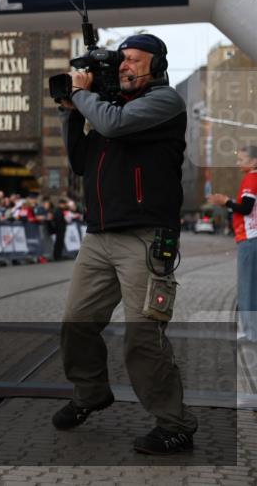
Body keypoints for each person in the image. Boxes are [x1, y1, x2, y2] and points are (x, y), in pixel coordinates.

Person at [55, 33, 196, 454]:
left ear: (157, 65)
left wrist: (83, 97)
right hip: (99, 236)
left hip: (145, 237)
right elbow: (80, 162)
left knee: (143, 337)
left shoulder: (165, 102)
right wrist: (69, 112)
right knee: (75, 324)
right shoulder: (106, 109)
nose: (125, 66)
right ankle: (90, 393)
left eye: (135, 60)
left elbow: (115, 125)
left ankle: (176, 424)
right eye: (122, 61)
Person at [207, 145, 257, 342]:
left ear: (253, 162)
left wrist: (226, 201)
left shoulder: (251, 179)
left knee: (247, 288)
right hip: (252, 238)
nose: (238, 163)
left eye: (242, 159)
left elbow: (245, 208)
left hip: (249, 239)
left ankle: (249, 332)